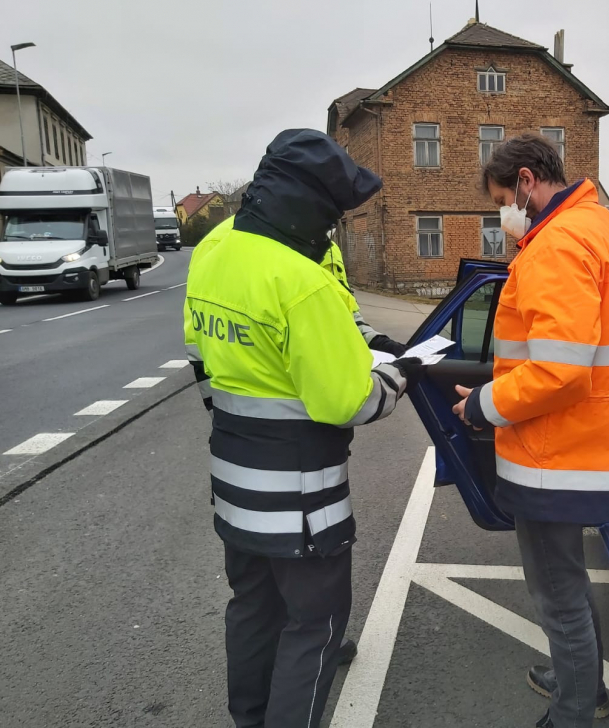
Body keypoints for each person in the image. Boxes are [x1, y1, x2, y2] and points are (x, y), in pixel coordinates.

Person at [183, 128, 424, 728]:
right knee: (315, 626)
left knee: (254, 608)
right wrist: (401, 373)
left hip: (233, 482)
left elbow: (199, 355)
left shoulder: (216, 247)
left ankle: (250, 718)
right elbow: (350, 401)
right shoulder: (302, 280)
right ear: (318, 207)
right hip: (300, 500)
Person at [453, 134, 609, 728]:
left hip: (556, 454)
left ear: (528, 181)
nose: (504, 213)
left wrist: (485, 405)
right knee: (568, 579)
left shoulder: (557, 246)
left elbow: (558, 372)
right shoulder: (598, 226)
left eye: (505, 200)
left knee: (557, 597)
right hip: (590, 445)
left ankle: (574, 712)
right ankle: (580, 684)